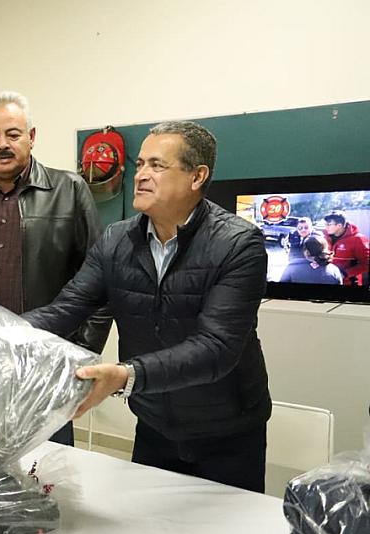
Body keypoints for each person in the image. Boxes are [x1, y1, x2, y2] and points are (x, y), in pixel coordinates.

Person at [25, 121, 272, 493]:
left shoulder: (238, 244)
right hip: (155, 425)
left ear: (197, 176)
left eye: (157, 165)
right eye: (140, 164)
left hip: (228, 431)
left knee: (231, 523)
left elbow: (216, 348)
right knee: (145, 521)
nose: (141, 175)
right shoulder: (116, 240)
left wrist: (126, 375)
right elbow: (68, 308)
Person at [0, 91, 111, 446]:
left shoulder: (69, 190)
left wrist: (77, 358)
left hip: (45, 368)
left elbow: (99, 282)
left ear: (32, 136)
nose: (2, 144)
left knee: (49, 467)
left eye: (12, 134)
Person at [323, 210, 370, 286]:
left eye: (329, 224)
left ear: (339, 225)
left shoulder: (358, 239)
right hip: (329, 280)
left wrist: (344, 274)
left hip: (349, 283)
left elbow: (366, 264)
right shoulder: (325, 237)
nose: (326, 227)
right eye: (325, 224)